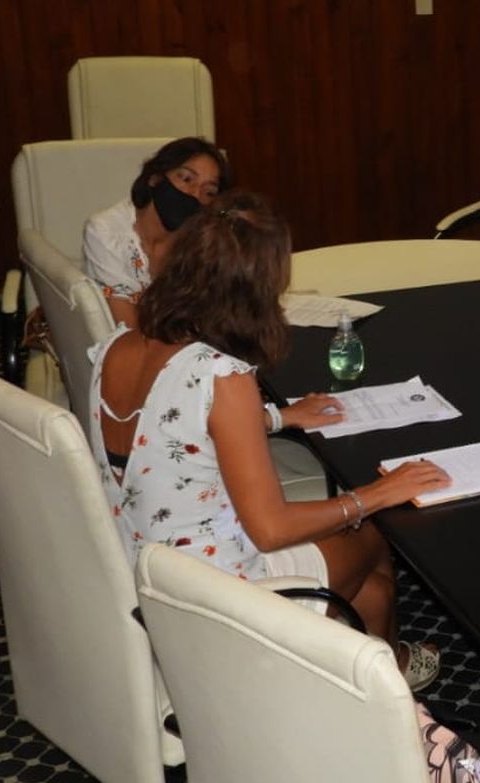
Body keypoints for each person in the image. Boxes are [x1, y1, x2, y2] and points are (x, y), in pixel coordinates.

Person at [87, 192, 448, 689]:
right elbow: (271, 531)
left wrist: (277, 418)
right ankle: (382, 693)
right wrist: (374, 496)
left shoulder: (115, 347)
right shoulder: (222, 375)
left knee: (372, 593)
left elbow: (169, 429)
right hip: (218, 593)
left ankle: (373, 674)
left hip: (147, 570)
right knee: (370, 538)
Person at [82, 137, 232, 329]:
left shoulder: (202, 238)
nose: (195, 194)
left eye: (209, 192)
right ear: (155, 178)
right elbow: (128, 330)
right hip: (133, 350)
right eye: (186, 179)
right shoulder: (106, 231)